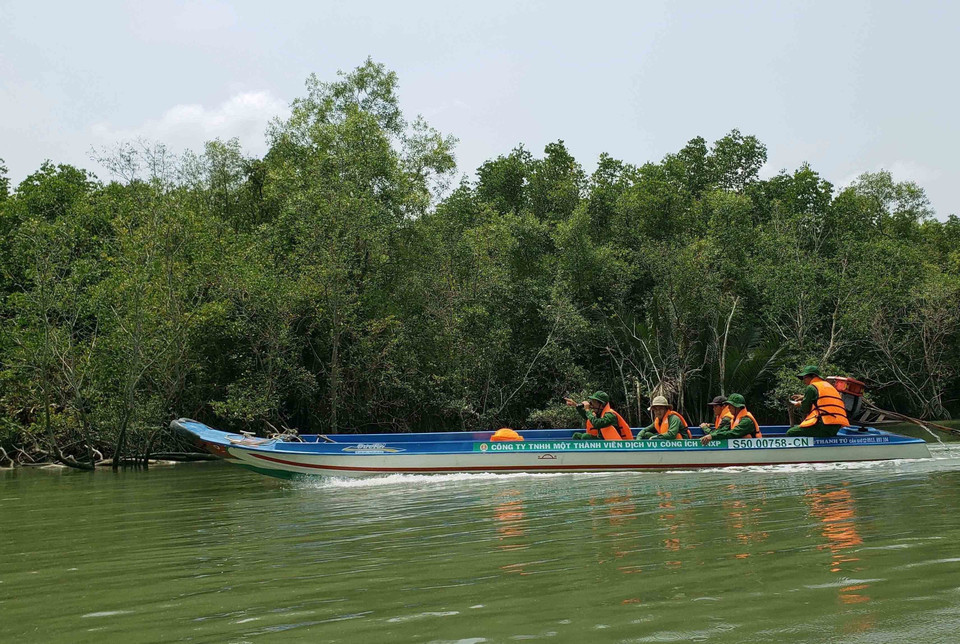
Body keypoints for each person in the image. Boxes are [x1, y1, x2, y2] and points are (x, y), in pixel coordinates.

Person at [786, 365, 849, 437]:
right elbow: (824, 399)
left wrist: (800, 404)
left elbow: (804, 409)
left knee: (791, 432)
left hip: (823, 424)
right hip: (836, 426)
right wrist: (804, 397)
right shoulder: (829, 386)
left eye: (805, 377)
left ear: (813, 376)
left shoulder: (811, 387)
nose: (804, 380)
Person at [564, 391, 634, 440]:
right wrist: (576, 405)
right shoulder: (599, 413)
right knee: (576, 435)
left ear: (602, 405)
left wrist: (587, 410)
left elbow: (597, 423)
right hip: (602, 439)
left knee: (586, 437)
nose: (592, 405)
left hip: (612, 444)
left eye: (594, 403)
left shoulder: (610, 415)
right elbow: (588, 417)